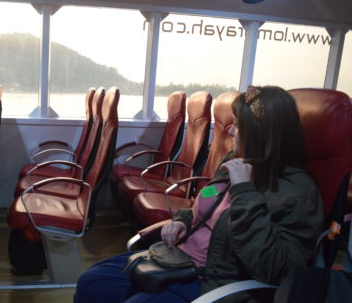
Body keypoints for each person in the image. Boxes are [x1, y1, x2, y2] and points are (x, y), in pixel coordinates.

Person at [74, 85, 324, 303]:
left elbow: (278, 269)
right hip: (177, 258)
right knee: (92, 283)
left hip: (213, 278)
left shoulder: (298, 193)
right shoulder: (235, 162)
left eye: (238, 126)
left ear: (262, 134)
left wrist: (244, 191)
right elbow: (207, 198)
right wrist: (182, 220)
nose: (231, 132)